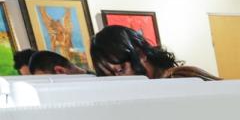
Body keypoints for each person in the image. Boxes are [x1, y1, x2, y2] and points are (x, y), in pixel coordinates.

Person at [91, 25, 219, 80]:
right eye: (111, 77)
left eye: (120, 71)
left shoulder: (182, 79)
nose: (118, 82)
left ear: (140, 54)